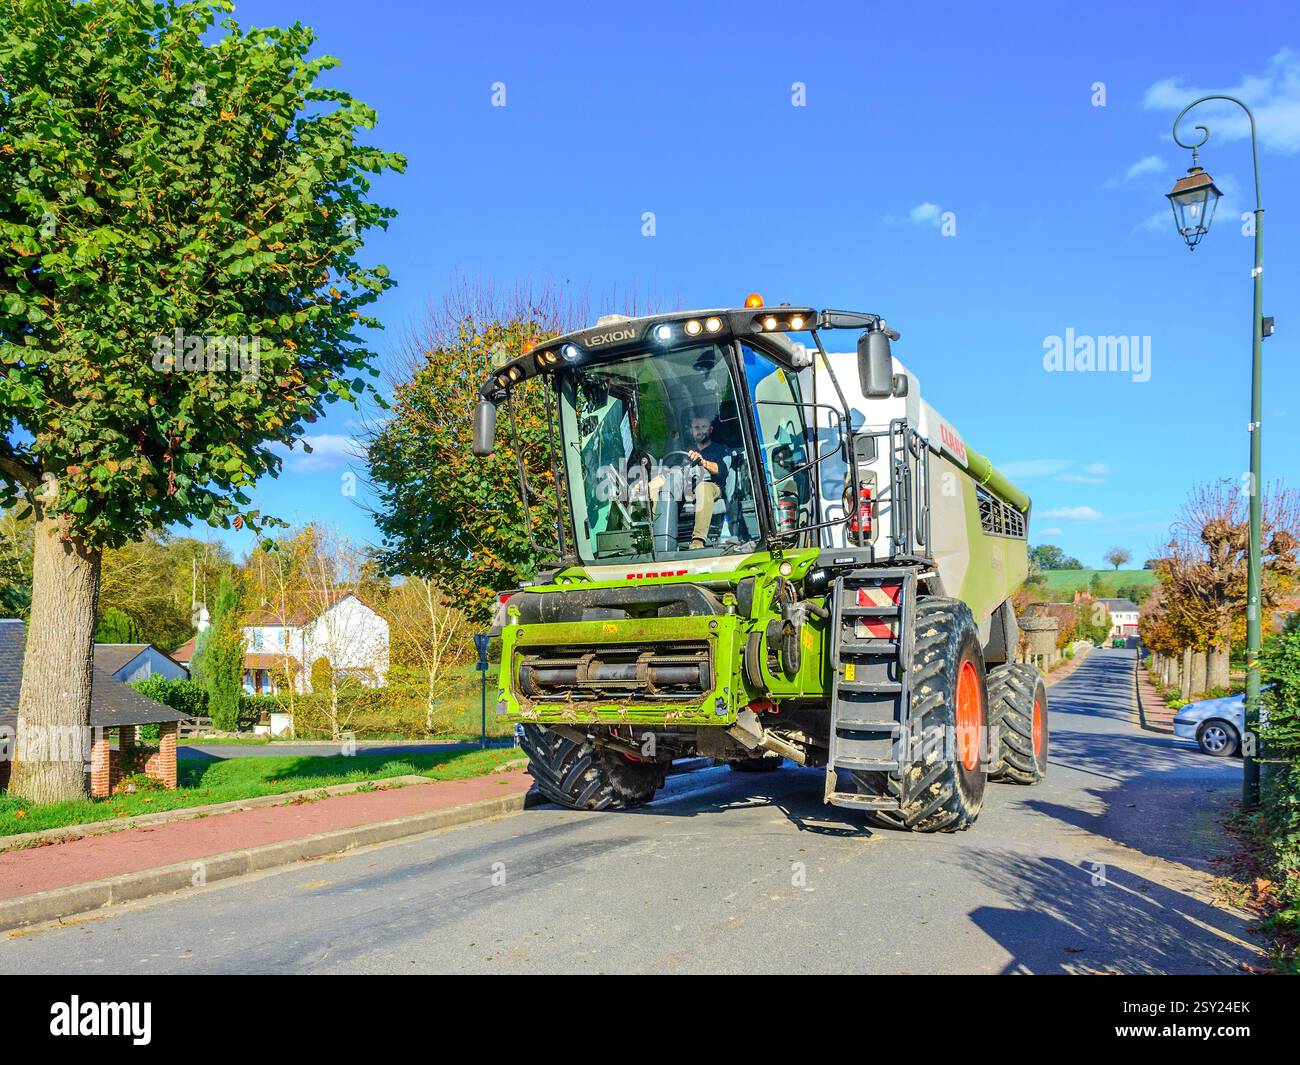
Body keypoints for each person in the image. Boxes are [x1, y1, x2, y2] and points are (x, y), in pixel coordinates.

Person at [648, 413, 729, 550]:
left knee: (702, 488)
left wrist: (702, 462)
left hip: (712, 486)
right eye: (696, 427)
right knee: (656, 488)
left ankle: (698, 540)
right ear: (691, 430)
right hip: (686, 487)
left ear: (711, 429)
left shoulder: (720, 449)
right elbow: (672, 472)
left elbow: (721, 470)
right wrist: (648, 484)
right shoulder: (685, 452)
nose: (700, 430)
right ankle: (655, 537)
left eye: (704, 426)